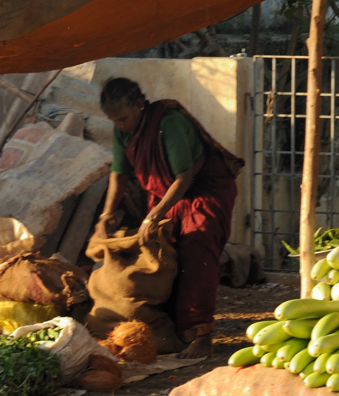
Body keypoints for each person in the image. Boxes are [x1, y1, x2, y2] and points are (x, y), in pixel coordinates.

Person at [97, 78, 243, 358]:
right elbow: (119, 173)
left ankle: (201, 335)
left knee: (196, 253)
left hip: (203, 190)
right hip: (166, 195)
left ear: (140, 105)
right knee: (163, 254)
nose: (120, 125)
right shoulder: (122, 131)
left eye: (124, 118)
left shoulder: (169, 123)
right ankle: (173, 332)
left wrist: (152, 217)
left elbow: (184, 177)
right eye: (114, 121)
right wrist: (107, 213)